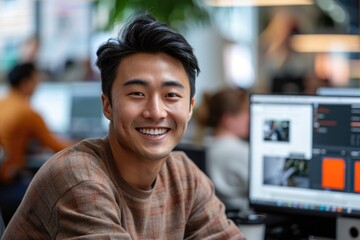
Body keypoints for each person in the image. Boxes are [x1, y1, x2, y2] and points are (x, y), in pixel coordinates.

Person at [2, 13, 245, 239]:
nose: (156, 112)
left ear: (190, 107)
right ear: (107, 105)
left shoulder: (184, 177)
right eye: (137, 93)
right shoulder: (78, 179)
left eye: (171, 95)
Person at [0, 62, 74, 225]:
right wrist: (89, 143)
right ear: (26, 83)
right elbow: (57, 146)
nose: (38, 85)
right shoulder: (27, 112)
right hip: (7, 183)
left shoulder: (3, 103)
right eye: (36, 80)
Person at [194, 87, 250, 212]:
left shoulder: (203, 144)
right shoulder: (240, 152)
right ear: (228, 120)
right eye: (245, 114)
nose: (248, 119)